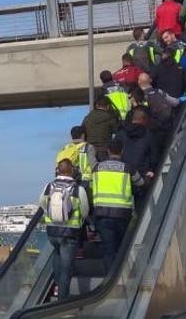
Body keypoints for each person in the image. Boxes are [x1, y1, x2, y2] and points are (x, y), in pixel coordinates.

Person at [40, 159, 89, 300]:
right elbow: (85, 210)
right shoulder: (77, 189)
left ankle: (56, 285)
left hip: (52, 231)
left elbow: (42, 203)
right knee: (66, 269)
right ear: (72, 170)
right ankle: (62, 300)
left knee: (57, 256)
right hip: (70, 232)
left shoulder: (49, 187)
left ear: (58, 170)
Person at [91, 140, 144, 271]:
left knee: (109, 251)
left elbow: (92, 187)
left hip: (102, 214)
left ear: (108, 151)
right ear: (122, 151)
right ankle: (122, 276)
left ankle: (110, 279)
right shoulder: (128, 168)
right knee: (123, 249)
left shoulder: (97, 168)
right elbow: (141, 183)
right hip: (122, 214)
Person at [139, 73, 183, 151]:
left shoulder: (141, 96)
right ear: (150, 80)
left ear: (139, 83)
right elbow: (175, 102)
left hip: (156, 132)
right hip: (170, 125)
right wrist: (181, 99)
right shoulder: (159, 91)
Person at [118, 108, 160, 186]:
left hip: (124, 173)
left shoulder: (121, 133)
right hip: (142, 174)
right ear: (142, 119)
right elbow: (154, 156)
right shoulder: (149, 135)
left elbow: (114, 151)